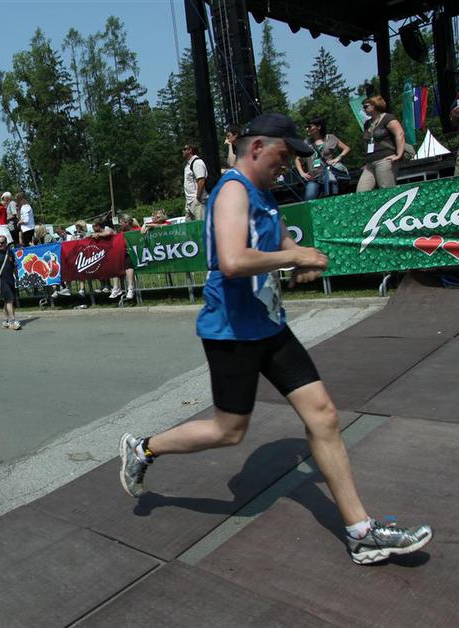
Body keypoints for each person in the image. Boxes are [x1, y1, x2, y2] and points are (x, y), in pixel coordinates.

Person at [118, 113, 432, 565]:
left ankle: (361, 532)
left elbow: (282, 244)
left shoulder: (264, 194)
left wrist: (298, 260)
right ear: (258, 147)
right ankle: (143, 448)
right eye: (283, 156)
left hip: (270, 325)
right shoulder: (231, 190)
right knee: (229, 431)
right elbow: (231, 260)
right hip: (231, 332)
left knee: (323, 415)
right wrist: (295, 257)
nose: (286, 166)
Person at [356, 96, 405, 193]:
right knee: (361, 192)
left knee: (386, 191)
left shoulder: (388, 118)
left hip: (385, 159)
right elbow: (367, 143)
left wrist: (399, 155)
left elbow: (400, 134)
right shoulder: (367, 123)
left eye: (366, 106)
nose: (364, 109)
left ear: (375, 105)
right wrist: (366, 162)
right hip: (370, 163)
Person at [295, 117, 351, 200]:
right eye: (306, 127)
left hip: (328, 174)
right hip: (313, 177)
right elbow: (297, 159)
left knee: (331, 196)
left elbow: (346, 148)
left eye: (309, 126)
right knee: (309, 198)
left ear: (319, 127)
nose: (307, 129)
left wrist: (338, 158)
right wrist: (302, 173)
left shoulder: (330, 138)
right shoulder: (306, 142)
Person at [0, 235, 20, 330]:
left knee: (7, 301)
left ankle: (5, 321)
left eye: (2, 243)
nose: (0, 245)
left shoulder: (10, 253)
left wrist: (17, 277)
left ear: (6, 243)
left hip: (10, 279)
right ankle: (13, 321)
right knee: (10, 299)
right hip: (1, 281)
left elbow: (14, 266)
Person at [182, 144, 208, 220]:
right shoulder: (188, 164)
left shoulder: (197, 162)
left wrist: (197, 198)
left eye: (184, 149)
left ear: (190, 150)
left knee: (201, 224)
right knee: (189, 226)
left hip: (197, 201)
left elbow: (201, 180)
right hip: (189, 202)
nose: (182, 151)